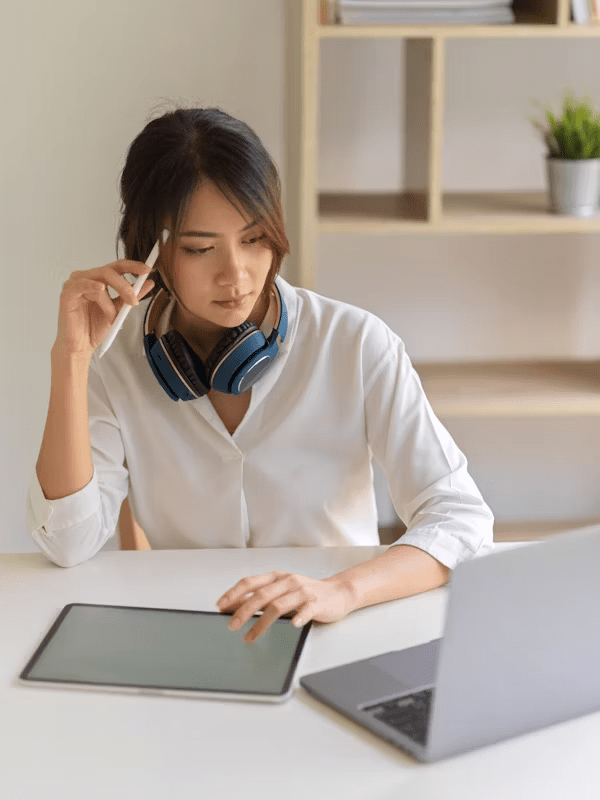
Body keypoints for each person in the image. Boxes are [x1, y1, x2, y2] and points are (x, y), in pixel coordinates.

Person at [27, 106, 495, 645]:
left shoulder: (356, 343)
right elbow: (67, 543)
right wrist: (71, 357)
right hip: (195, 634)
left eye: (253, 240)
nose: (236, 274)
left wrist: (341, 591)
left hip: (338, 628)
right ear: (150, 252)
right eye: (201, 248)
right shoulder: (115, 360)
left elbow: (460, 518)